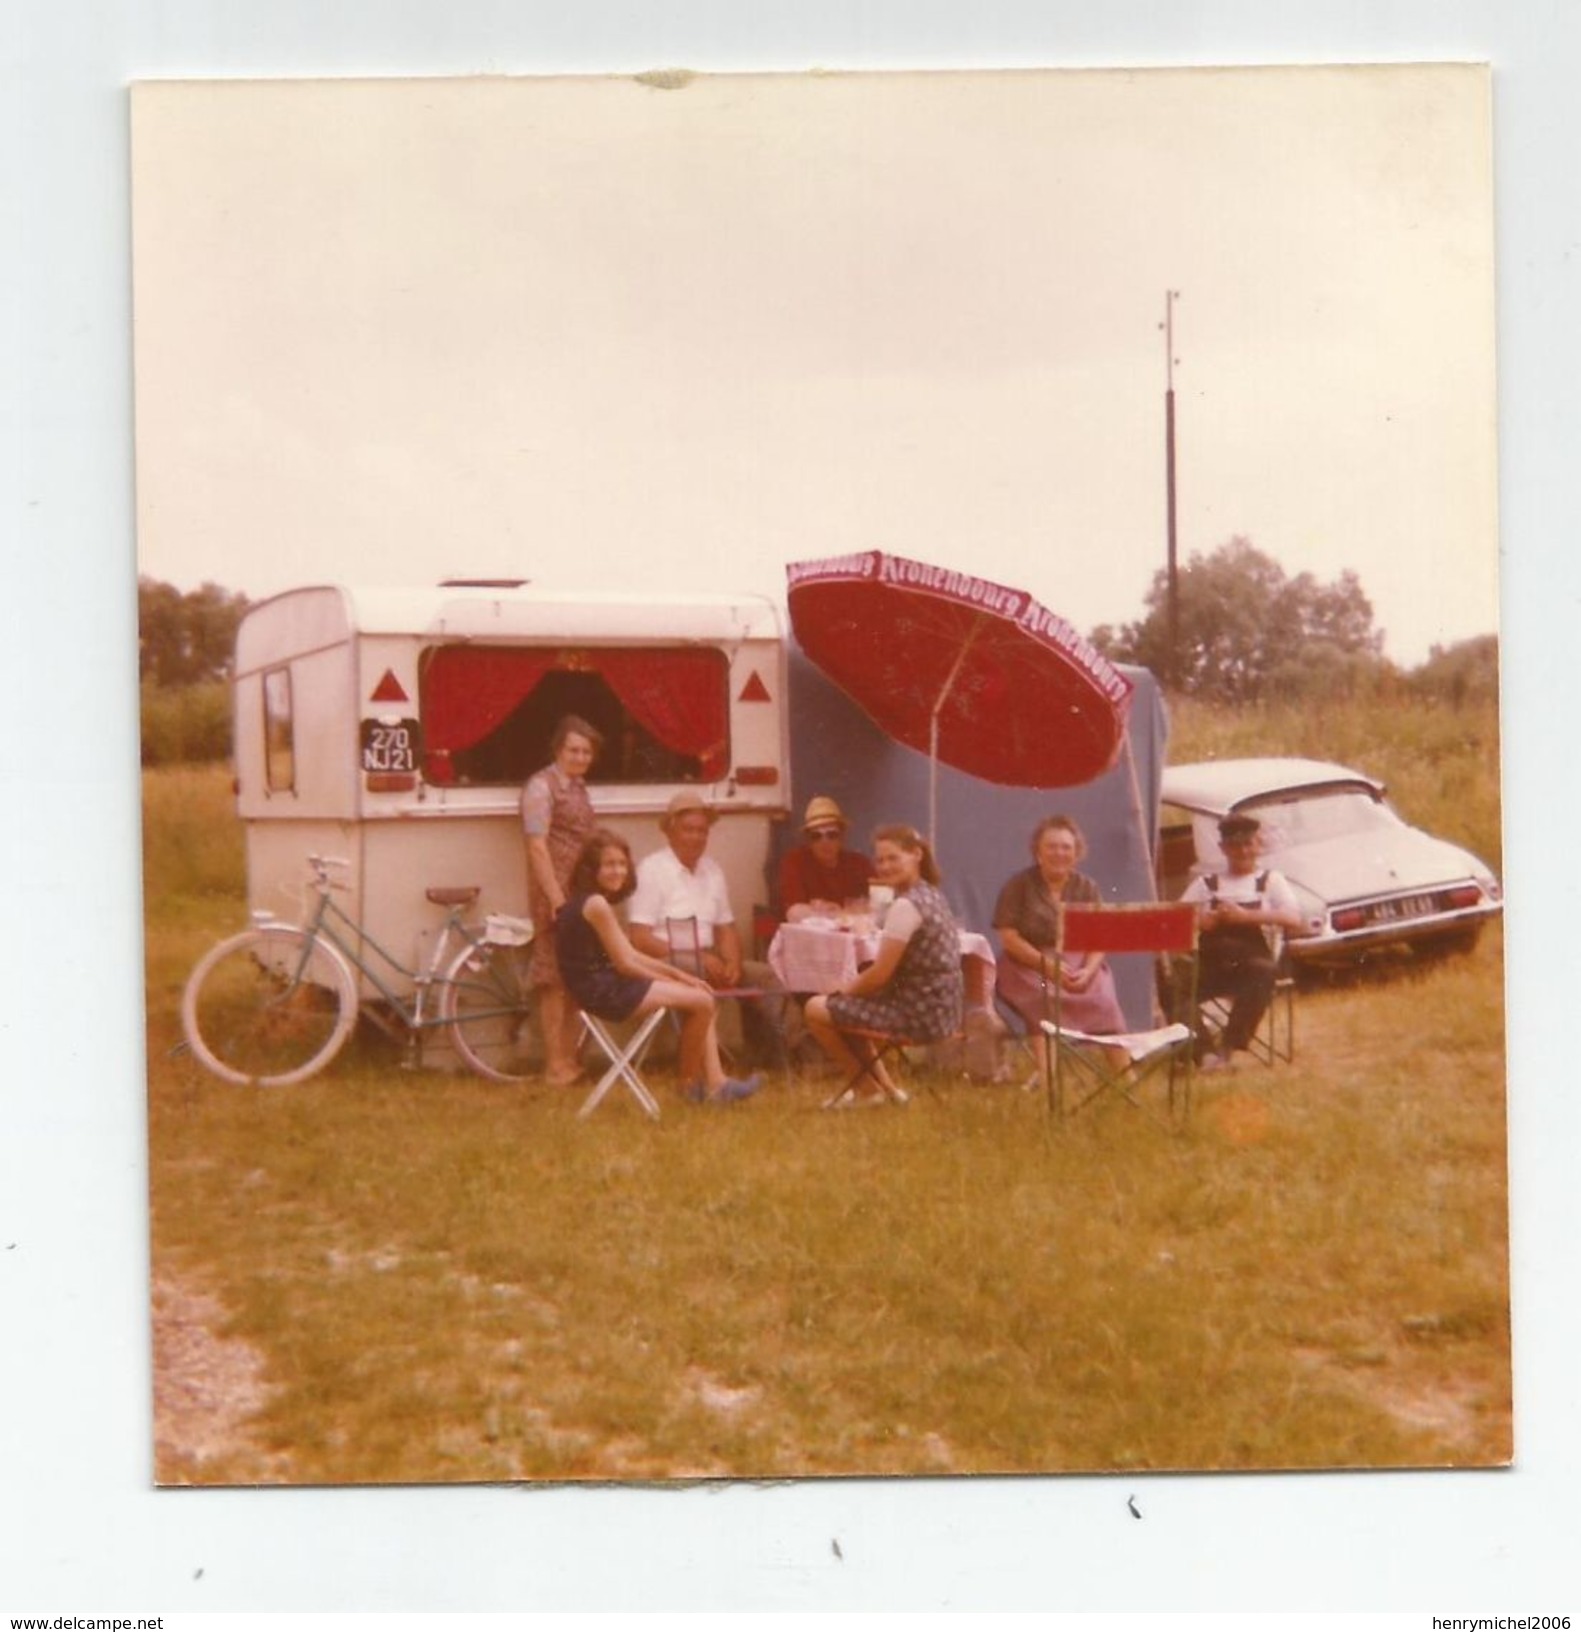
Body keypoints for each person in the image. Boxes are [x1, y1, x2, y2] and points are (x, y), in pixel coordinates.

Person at [555, 831, 759, 1105]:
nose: (618, 871)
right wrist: (678, 981)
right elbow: (626, 963)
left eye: (622, 864)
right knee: (701, 1001)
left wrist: (679, 975)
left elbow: (630, 954)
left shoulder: (588, 900)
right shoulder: (596, 904)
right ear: (592, 869)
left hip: (595, 989)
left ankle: (713, 1083)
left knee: (700, 997)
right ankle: (690, 1086)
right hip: (603, 993)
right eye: (609, 864)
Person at [626, 791, 791, 1071]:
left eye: (702, 831)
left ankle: (778, 1056)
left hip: (708, 958)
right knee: (701, 969)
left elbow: (725, 927)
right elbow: (639, 939)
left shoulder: (712, 870)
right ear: (670, 832)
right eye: (688, 830)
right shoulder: (651, 870)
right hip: (665, 962)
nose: (696, 837)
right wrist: (700, 958)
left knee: (766, 977)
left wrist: (733, 963)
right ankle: (701, 1062)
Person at [804, 825, 964, 1106]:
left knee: (816, 1008)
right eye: (880, 860)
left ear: (916, 855)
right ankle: (888, 1091)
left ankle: (869, 1089)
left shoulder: (907, 906)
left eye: (893, 858)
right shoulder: (932, 894)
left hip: (917, 1016)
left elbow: (880, 974)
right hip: (944, 1010)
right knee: (852, 1005)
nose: (885, 866)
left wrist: (839, 992)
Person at [993, 814, 1126, 1061]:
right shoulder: (1019, 885)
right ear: (1038, 851)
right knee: (1042, 997)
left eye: (1066, 847)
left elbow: (1099, 938)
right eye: (1051, 846)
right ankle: (1048, 1080)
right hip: (1029, 965)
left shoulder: (1087, 887)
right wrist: (1048, 966)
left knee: (1104, 1000)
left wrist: (1088, 970)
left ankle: (1124, 1077)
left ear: (1077, 853)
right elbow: (1008, 938)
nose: (1059, 853)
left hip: (1078, 965)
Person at [1178, 812, 1303, 1071]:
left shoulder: (1270, 881)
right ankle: (1203, 1053)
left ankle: (1228, 1047)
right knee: (1172, 983)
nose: (1243, 851)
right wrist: (1203, 921)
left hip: (1251, 964)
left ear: (1258, 846)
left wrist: (1247, 916)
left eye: (1248, 844)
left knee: (1264, 972)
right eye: (1235, 845)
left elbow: (1294, 918)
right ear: (1224, 848)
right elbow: (1176, 920)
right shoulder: (1206, 884)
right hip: (1212, 964)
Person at [522, 715, 601, 1085]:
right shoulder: (541, 786)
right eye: (574, 749)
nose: (580, 756)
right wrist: (556, 898)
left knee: (573, 976)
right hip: (554, 891)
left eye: (586, 751)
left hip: (580, 892)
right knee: (553, 978)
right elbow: (537, 846)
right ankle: (554, 1063)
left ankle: (570, 1059)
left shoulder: (578, 786)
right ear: (558, 749)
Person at [778, 795, 874, 923]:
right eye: (816, 836)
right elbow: (793, 911)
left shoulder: (859, 863)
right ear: (808, 841)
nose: (825, 842)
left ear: (842, 836)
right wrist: (839, 913)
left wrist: (828, 911)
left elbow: (876, 904)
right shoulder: (795, 861)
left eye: (832, 835)